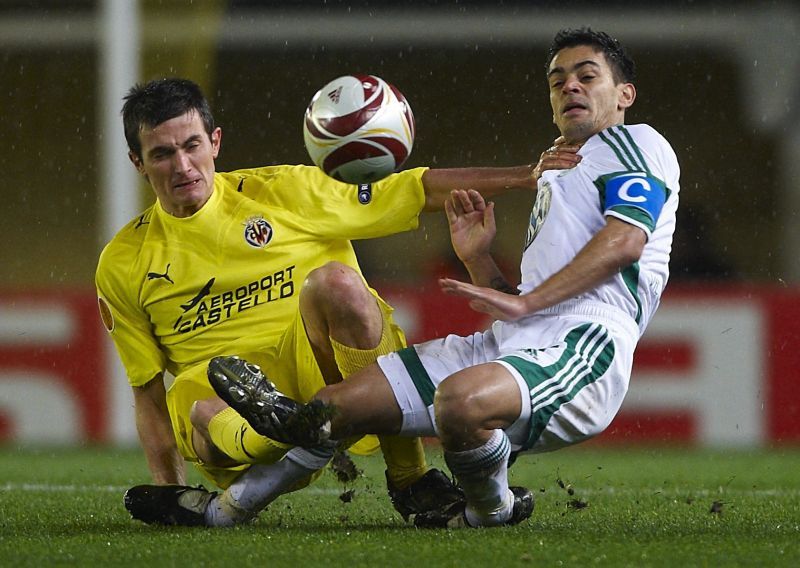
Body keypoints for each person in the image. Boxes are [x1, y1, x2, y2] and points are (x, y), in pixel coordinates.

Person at [208, 27, 680, 529]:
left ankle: (488, 508)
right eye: (557, 80)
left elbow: (627, 241)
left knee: (458, 403)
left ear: (625, 94)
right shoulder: (561, 170)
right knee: (332, 409)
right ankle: (224, 510)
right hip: (514, 341)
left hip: (586, 345)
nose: (570, 87)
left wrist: (528, 302)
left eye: (587, 76)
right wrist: (477, 258)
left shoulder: (634, 143)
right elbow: (516, 301)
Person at [96, 77, 551, 527]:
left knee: (338, 283)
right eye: (162, 154)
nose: (182, 166)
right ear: (138, 162)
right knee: (201, 405)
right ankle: (287, 427)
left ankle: (409, 478)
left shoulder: (284, 191)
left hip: (316, 369)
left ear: (215, 142)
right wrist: (169, 488)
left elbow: (417, 188)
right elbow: (149, 394)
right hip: (222, 403)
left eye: (191, 145)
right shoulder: (123, 263)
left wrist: (527, 176)